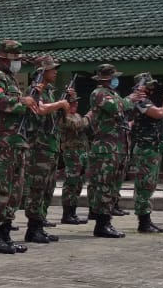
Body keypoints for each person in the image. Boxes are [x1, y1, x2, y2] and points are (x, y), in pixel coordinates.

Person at [0, 40, 33, 254]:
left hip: (15, 142)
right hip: (1, 143)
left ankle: (5, 234)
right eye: (16, 59)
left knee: (14, 191)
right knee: (1, 189)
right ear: (4, 59)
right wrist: (24, 103)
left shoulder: (10, 78)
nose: (18, 63)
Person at [86, 64, 140, 239]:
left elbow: (125, 112)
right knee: (104, 186)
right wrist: (131, 98)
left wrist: (133, 101)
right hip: (106, 147)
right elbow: (116, 107)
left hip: (117, 147)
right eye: (114, 77)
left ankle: (106, 221)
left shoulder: (113, 94)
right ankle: (102, 224)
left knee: (113, 186)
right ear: (107, 78)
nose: (117, 79)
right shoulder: (99, 93)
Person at [20, 55, 70, 244]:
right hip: (38, 147)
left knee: (48, 188)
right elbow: (39, 109)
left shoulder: (48, 91)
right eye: (52, 68)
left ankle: (40, 225)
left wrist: (62, 105)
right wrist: (60, 104)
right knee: (37, 188)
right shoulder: (34, 90)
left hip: (49, 146)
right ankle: (33, 229)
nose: (55, 71)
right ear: (42, 71)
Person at [129, 73, 163, 233]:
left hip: (152, 148)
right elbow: (158, 114)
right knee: (144, 186)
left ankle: (147, 219)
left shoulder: (147, 100)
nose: (152, 88)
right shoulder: (141, 101)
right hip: (145, 148)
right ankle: (143, 222)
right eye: (149, 85)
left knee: (150, 185)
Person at [59, 90, 90, 225]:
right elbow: (77, 125)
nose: (76, 104)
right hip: (71, 152)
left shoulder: (76, 115)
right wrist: (89, 116)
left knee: (78, 183)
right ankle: (67, 214)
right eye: (72, 102)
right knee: (71, 183)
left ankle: (73, 212)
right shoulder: (64, 117)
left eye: (76, 101)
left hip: (81, 152)